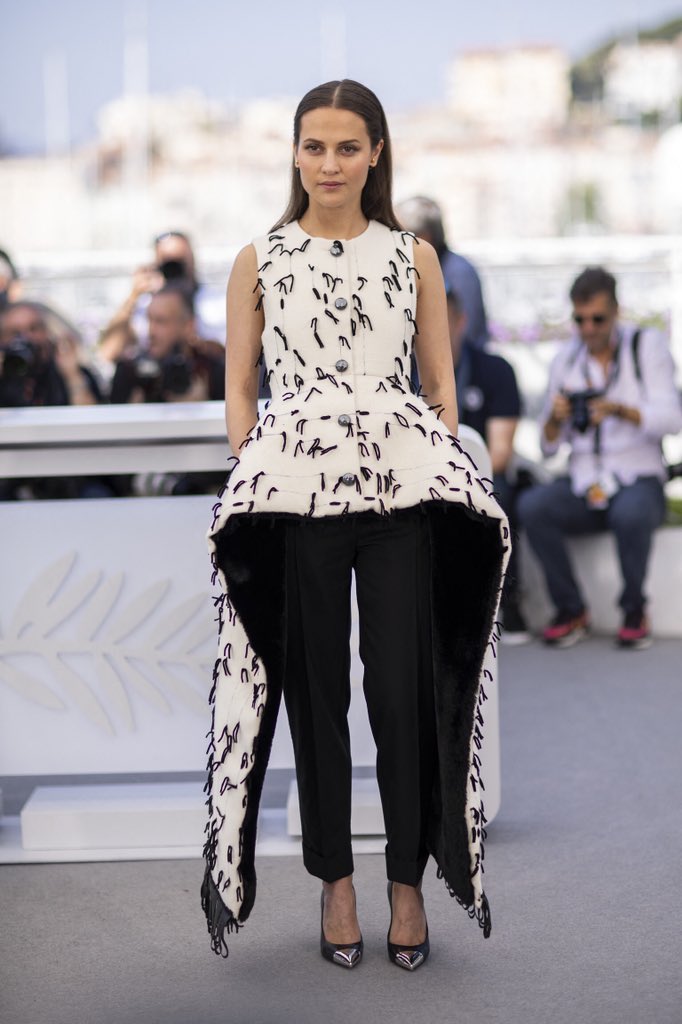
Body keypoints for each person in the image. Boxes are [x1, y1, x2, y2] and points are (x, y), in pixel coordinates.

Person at [201, 80, 508, 971]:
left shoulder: (412, 257)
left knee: (403, 690)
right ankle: (335, 882)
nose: (328, 163)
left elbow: (440, 382)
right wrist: (252, 454)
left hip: (399, 493)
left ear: (376, 153)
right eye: (313, 146)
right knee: (314, 693)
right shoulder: (259, 258)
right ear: (294, 154)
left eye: (346, 147)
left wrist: (431, 451)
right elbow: (239, 387)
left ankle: (406, 883)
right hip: (295, 492)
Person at [518, 266, 682, 649]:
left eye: (597, 319)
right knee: (534, 507)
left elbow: (673, 419)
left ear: (615, 312)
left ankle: (633, 609)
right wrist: (556, 421)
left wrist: (618, 410)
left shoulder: (646, 347)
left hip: (637, 475)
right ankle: (571, 609)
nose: (588, 328)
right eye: (579, 319)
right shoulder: (565, 360)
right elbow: (548, 446)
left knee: (632, 512)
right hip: (584, 479)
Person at [445, 287, 528, 642]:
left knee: (502, 496)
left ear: (461, 322)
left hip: (480, 477)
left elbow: (499, 453)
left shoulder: (494, 370)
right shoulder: (401, 371)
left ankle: (510, 603)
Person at [110, 284, 225, 495]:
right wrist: (136, 414)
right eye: (149, 320)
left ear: (189, 326)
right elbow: (111, 452)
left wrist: (201, 412)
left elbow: (233, 446)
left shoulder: (212, 368)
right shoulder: (130, 370)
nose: (151, 331)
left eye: (161, 322)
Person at [0, 300, 111, 499]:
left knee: (96, 495)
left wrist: (72, 375)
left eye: (34, 329)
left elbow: (95, 429)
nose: (25, 339)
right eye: (14, 333)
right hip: (11, 481)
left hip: (69, 479)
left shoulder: (68, 372)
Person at [97, 230, 225, 386]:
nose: (174, 268)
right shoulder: (144, 301)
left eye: (179, 260)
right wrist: (133, 296)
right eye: (167, 261)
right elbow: (108, 353)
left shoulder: (215, 302)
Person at [396, 196, 488, 350]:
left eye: (400, 235)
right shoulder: (409, 269)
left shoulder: (459, 273)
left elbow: (467, 336)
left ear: (424, 237)